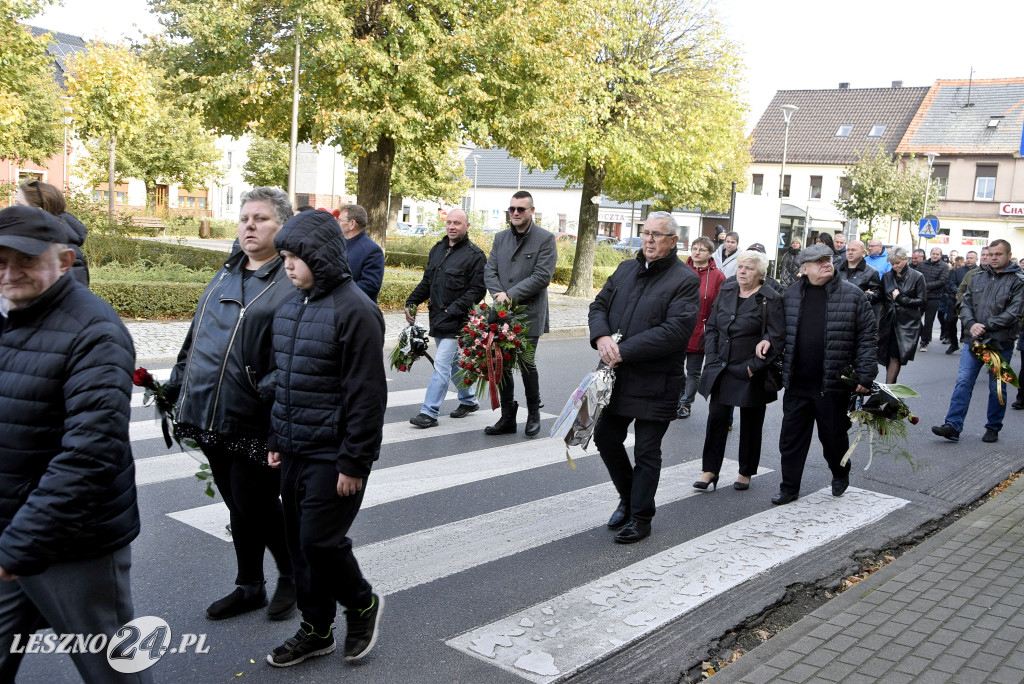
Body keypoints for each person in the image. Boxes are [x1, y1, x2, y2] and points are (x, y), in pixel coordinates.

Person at [0, 205, 147, 683]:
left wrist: (22, 542)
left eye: (23, 259)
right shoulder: (10, 313)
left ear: (64, 262)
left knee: (112, 669)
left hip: (72, 541)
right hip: (12, 528)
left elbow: (91, 452)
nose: (9, 272)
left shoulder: (96, 331)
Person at [167, 187, 296, 622]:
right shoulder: (227, 271)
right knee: (237, 505)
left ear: (282, 227)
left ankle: (293, 574)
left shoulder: (290, 281)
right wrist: (177, 384)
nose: (249, 226)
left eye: (260, 219)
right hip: (209, 410)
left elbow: (294, 356)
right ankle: (249, 586)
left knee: (255, 502)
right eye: (244, 218)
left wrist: (267, 396)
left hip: (254, 416)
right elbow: (198, 334)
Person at [266, 209, 386, 667]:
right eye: (284, 257)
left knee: (320, 541)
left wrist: (355, 461)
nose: (288, 266)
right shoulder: (292, 304)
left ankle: (362, 604)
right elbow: (287, 379)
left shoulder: (356, 310)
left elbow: (366, 394)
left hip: (333, 453)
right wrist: (277, 436)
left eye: (296, 257)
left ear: (320, 255)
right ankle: (316, 630)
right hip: (295, 447)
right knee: (299, 545)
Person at [589, 212, 699, 543]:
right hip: (617, 377)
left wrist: (624, 350)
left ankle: (641, 517)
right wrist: (602, 338)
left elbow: (675, 331)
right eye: (645, 232)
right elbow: (599, 306)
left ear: (673, 241)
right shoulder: (626, 269)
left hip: (657, 380)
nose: (648, 239)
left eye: (657, 235)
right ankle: (629, 497)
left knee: (647, 452)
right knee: (606, 438)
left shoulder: (685, 279)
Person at [772, 244, 877, 506]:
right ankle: (789, 487)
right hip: (797, 382)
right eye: (818, 261)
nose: (826, 264)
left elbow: (867, 337)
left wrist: (865, 374)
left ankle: (840, 472)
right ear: (804, 269)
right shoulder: (791, 294)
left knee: (833, 438)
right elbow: (778, 332)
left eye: (828, 259)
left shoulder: (853, 296)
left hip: (832, 384)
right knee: (791, 440)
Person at [694, 250, 783, 492]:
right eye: (741, 267)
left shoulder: (770, 298)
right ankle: (710, 470)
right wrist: (712, 358)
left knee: (751, 423)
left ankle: (746, 471)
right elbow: (712, 326)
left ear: (761, 273)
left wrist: (754, 367)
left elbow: (776, 337)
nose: (742, 271)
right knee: (717, 419)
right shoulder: (728, 289)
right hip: (721, 366)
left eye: (749, 268)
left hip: (750, 369)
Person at [932, 240, 1024, 444]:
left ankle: (993, 427)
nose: (993, 257)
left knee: (997, 387)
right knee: (964, 381)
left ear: (1008, 255)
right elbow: (965, 304)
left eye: (998, 254)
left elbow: (1015, 311)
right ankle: (953, 426)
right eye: (990, 254)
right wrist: (971, 323)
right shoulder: (977, 277)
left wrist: (986, 325)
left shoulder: (1019, 280)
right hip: (974, 341)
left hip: (1000, 343)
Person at [483, 190, 557, 437]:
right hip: (501, 313)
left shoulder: (545, 239)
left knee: (526, 363)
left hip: (530, 313)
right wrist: (498, 295)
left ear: (531, 211)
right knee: (501, 364)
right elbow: (489, 271)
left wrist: (510, 295)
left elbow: (542, 276)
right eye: (512, 209)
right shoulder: (501, 237)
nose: (515, 213)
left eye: (520, 209)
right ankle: (507, 417)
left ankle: (534, 412)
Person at [405, 209, 487, 427]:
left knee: (441, 365)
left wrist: (454, 309)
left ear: (467, 226)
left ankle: (429, 412)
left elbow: (478, 291)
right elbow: (427, 282)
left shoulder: (475, 255)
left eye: (457, 223)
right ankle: (469, 400)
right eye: (449, 222)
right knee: (453, 365)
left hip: (458, 321)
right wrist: (412, 302)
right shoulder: (438, 249)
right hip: (438, 318)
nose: (452, 227)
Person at [677, 236, 725, 419]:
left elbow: (721, 304)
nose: (696, 252)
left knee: (693, 371)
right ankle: (678, 397)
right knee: (675, 368)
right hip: (678, 328)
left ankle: (685, 403)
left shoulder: (718, 276)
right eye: (694, 248)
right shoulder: (680, 270)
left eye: (701, 249)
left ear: (710, 253)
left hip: (701, 330)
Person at [14, 180, 89, 286]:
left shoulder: (66, 255)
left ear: (37, 212)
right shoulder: (22, 245)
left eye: (18, 205)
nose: (12, 210)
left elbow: (71, 299)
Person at [877, 246, 926, 383]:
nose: (895, 266)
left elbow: (922, 301)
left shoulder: (917, 277)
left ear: (906, 259)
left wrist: (901, 299)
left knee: (895, 356)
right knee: (886, 356)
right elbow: (881, 296)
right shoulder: (887, 277)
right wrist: (870, 295)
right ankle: (891, 391)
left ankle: (888, 390)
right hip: (888, 322)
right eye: (892, 264)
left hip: (906, 324)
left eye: (897, 263)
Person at [339, 204, 385, 302]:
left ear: (352, 224)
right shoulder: (339, 244)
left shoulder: (372, 250)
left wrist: (339, 293)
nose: (337, 223)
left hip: (357, 310)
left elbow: (370, 285)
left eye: (340, 220)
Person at [914, 246, 949, 352]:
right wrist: (922, 288)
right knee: (915, 318)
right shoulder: (922, 264)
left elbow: (942, 281)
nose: (935, 256)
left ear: (940, 255)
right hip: (920, 296)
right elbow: (916, 277)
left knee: (929, 320)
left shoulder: (944, 267)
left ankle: (924, 342)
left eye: (937, 254)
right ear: (930, 254)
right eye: (933, 253)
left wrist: (926, 287)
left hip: (934, 297)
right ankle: (919, 335)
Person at [838, 239, 882, 320]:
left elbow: (877, 294)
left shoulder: (871, 272)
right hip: (838, 313)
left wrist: (864, 296)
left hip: (858, 315)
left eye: (854, 250)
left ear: (863, 252)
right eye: (848, 250)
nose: (850, 252)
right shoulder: (837, 270)